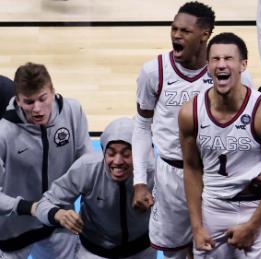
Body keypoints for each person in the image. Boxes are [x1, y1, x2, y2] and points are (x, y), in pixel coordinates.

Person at [133, 2, 250, 258]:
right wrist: (140, 180)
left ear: (204, 35)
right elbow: (142, 125)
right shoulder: (154, 71)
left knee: (213, 250)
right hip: (170, 175)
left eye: (185, 31)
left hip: (215, 176)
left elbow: (249, 128)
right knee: (175, 252)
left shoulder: (230, 73)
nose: (176, 35)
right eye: (174, 29)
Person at [179, 32, 261, 258]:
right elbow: (191, 169)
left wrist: (252, 227)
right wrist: (197, 227)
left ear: (243, 65)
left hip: (256, 207)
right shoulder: (190, 113)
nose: (221, 65)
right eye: (215, 59)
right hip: (214, 208)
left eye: (228, 59)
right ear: (207, 65)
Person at [0, 62, 92, 258]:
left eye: (43, 99)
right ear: (17, 100)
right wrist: (32, 208)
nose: (38, 109)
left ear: (53, 91)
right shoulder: (3, 133)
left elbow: (87, 166)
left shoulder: (72, 112)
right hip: (14, 228)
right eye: (29, 102)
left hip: (59, 222)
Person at [34, 117, 157, 259]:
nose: (117, 161)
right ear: (103, 151)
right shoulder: (87, 168)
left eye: (126, 154)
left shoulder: (153, 172)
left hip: (142, 251)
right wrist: (57, 214)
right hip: (94, 253)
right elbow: (43, 204)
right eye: (111, 153)